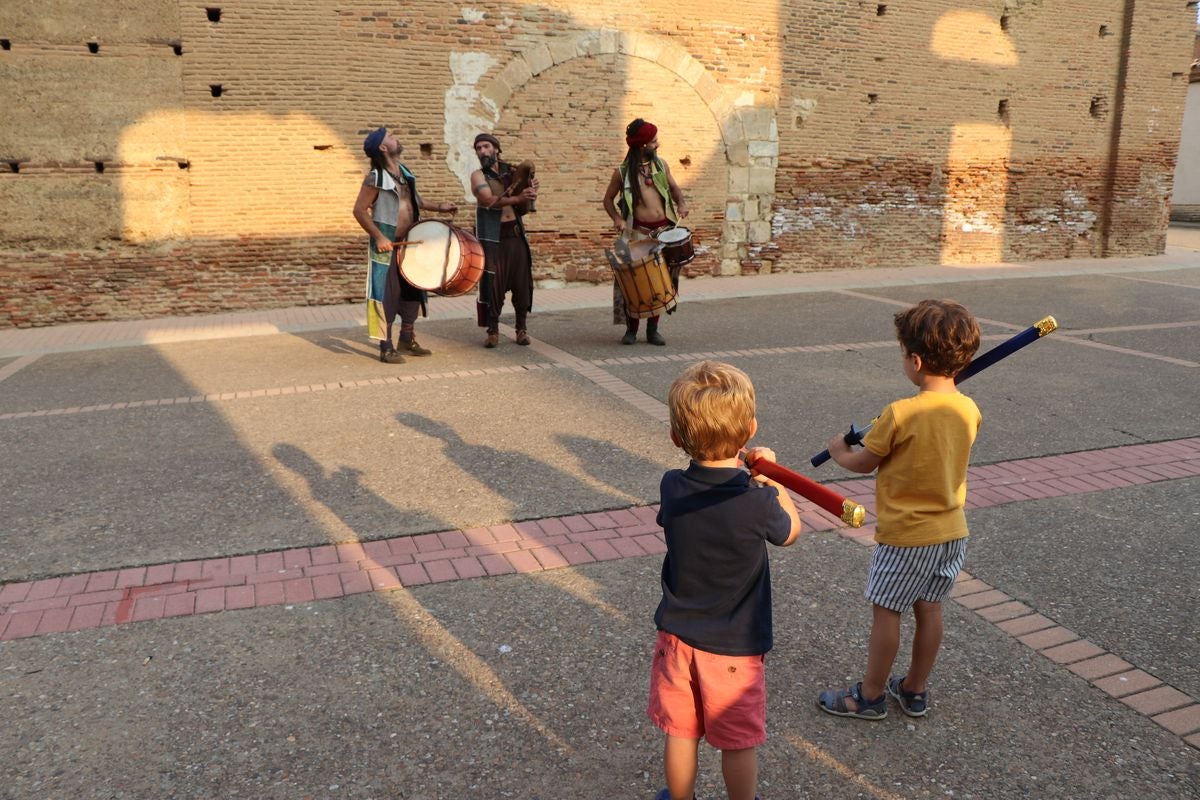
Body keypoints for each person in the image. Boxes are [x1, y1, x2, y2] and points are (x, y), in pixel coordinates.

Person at [817, 299, 982, 720]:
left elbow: (864, 462)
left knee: (887, 610)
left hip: (906, 535)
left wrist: (838, 452)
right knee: (930, 609)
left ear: (916, 360)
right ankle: (914, 688)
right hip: (951, 532)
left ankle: (869, 696)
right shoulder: (969, 409)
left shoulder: (899, 413)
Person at [648, 361, 802, 800]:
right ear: (750, 429)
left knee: (681, 732)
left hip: (677, 638)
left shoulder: (672, 486)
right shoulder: (757, 501)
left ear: (676, 438)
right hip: (734, 647)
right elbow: (790, 532)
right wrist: (773, 482)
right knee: (737, 742)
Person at [352, 127, 458, 363]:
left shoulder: (404, 172)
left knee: (413, 289)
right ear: (383, 147)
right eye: (390, 136)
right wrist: (379, 237)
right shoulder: (375, 178)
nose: (395, 138)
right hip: (387, 244)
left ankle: (407, 339)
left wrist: (440, 206)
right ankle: (386, 346)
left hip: (411, 240)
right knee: (385, 294)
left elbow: (416, 201)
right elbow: (359, 210)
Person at [602, 118, 689, 346]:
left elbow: (675, 190)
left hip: (663, 232)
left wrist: (681, 204)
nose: (657, 144)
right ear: (641, 146)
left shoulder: (661, 166)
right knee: (633, 282)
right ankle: (631, 330)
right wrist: (617, 218)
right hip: (638, 234)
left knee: (659, 281)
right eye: (653, 141)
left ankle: (653, 330)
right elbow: (607, 200)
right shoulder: (621, 173)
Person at [469, 133, 538, 348]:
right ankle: (493, 331)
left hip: (515, 235)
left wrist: (529, 189)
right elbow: (488, 200)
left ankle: (521, 329)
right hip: (493, 238)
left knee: (521, 284)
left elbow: (522, 209)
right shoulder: (478, 176)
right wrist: (518, 197)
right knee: (493, 285)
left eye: (486, 146)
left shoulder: (512, 173)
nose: (482, 151)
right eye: (478, 148)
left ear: (496, 149)